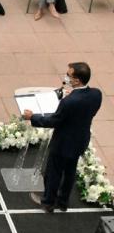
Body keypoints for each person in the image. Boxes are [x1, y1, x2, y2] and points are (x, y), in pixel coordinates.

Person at [23, 62, 102, 212]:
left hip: (63, 143)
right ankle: (63, 201)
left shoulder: (69, 102)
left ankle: (48, 202)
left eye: (69, 75)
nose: (66, 77)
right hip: (80, 141)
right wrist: (73, 95)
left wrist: (32, 117)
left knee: (54, 172)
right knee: (70, 172)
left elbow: (53, 121)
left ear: (77, 80)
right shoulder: (96, 94)